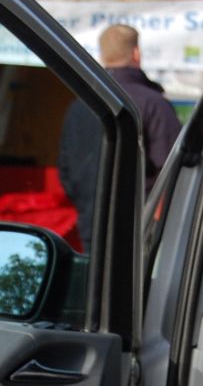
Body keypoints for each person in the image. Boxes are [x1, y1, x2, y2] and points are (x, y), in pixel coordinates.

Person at [58, 24, 183, 249]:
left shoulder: (78, 106)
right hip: (140, 230)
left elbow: (66, 170)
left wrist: (89, 206)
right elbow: (174, 169)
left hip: (91, 225)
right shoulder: (154, 104)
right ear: (136, 53)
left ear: (102, 56)